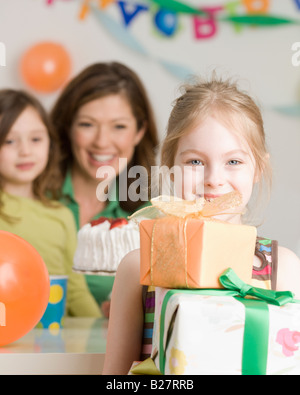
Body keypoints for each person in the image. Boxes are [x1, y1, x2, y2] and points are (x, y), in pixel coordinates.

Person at [102, 74, 300, 374]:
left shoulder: (282, 268)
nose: (214, 179)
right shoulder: (138, 267)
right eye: (195, 162)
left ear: (258, 168)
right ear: (170, 167)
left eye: (233, 161)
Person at [50, 62, 159, 314]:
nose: (101, 141)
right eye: (87, 124)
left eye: (119, 126)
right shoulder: (32, 197)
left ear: (139, 131)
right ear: (68, 127)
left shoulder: (149, 218)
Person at [0, 89, 101, 317]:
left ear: (49, 143)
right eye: (9, 140)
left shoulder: (61, 215)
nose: (25, 151)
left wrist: (104, 331)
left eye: (36, 139)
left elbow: (76, 292)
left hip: (53, 343)